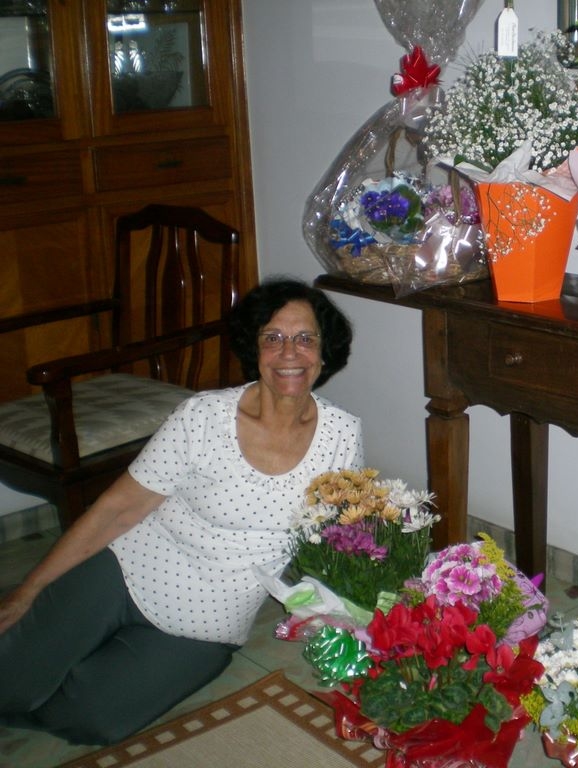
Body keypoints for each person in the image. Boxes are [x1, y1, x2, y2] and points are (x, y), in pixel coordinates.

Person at [0, 278, 363, 745]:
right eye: (272, 337)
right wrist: (27, 592)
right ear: (253, 348)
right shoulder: (203, 416)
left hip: (205, 625)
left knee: (91, 721)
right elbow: (116, 508)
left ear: (324, 350)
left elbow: (338, 540)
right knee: (11, 680)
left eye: (304, 338)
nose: (289, 352)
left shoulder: (342, 435)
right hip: (123, 571)